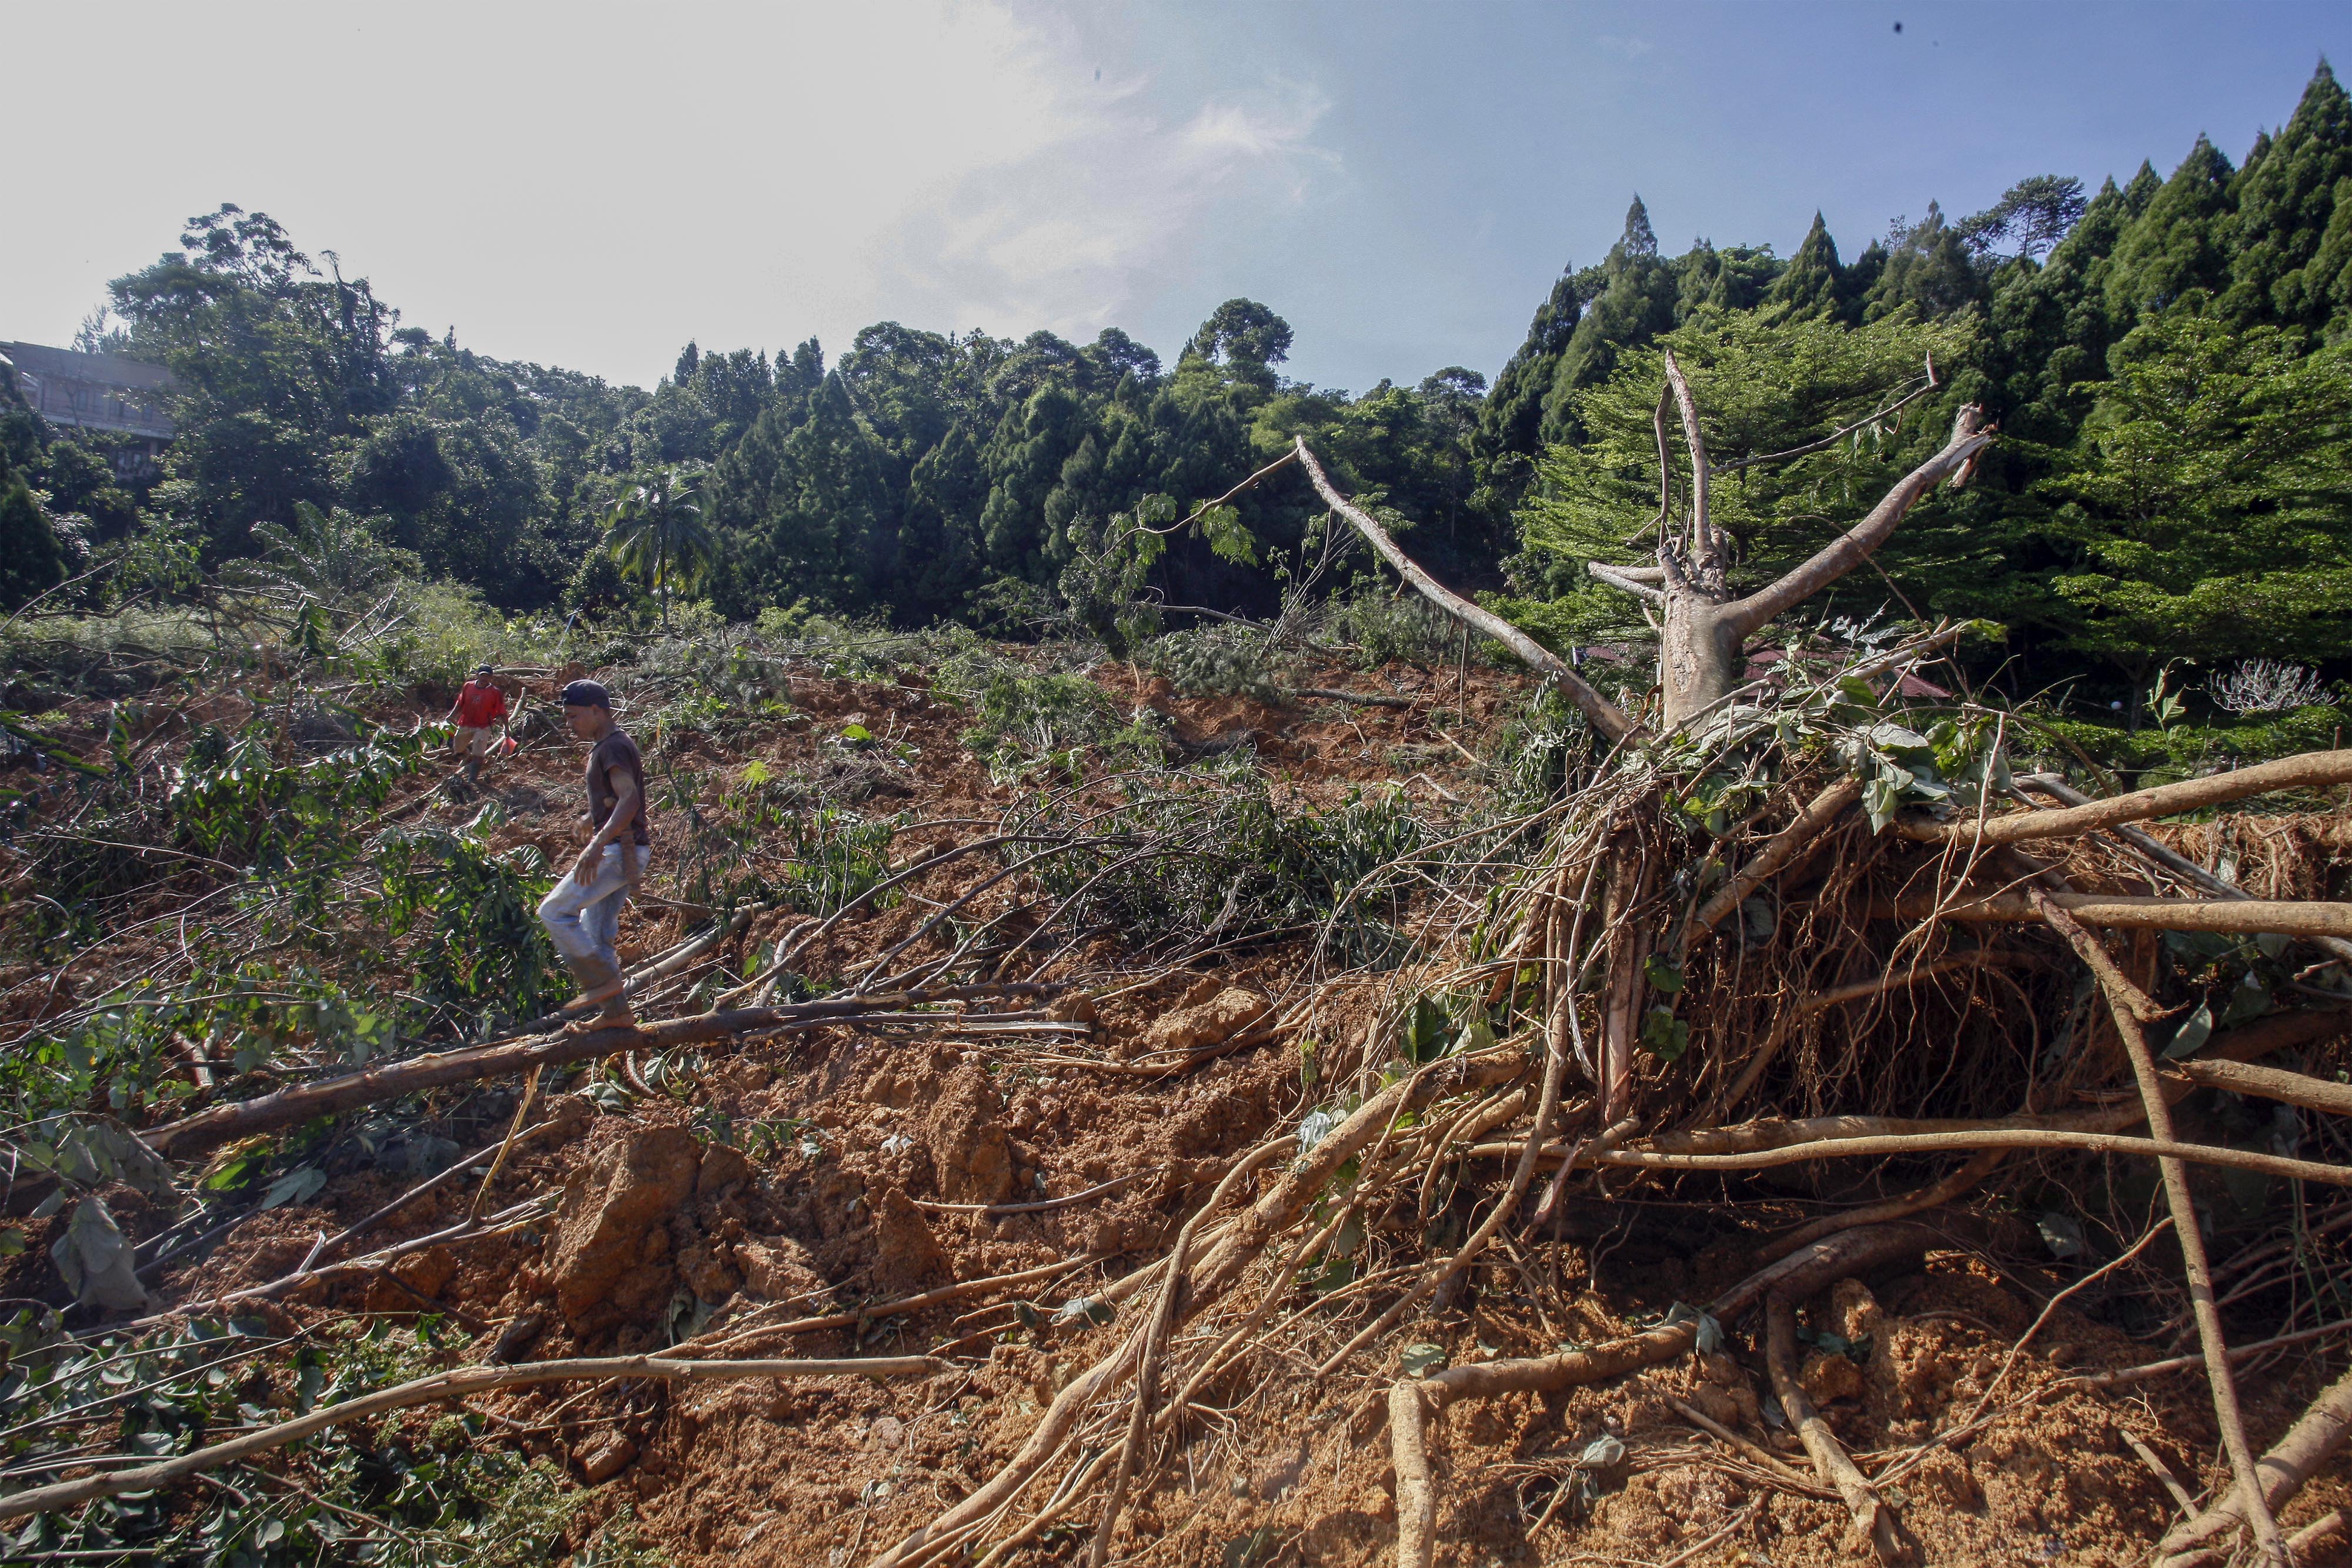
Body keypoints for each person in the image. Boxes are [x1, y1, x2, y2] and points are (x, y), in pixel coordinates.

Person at [536, 680, 650, 1027]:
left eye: (573, 717)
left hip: (617, 852)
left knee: (555, 912)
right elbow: (619, 799)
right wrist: (592, 817)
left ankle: (601, 985)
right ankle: (617, 1014)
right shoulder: (610, 745)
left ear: (597, 711)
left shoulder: (611, 748)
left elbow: (629, 800)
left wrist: (595, 846)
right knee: (597, 934)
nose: (570, 725)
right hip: (625, 849)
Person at [444, 665, 510, 790]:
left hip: (483, 725)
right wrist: (452, 715)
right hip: (465, 723)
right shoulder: (468, 686)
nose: (485, 678)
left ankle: (472, 779)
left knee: (479, 752)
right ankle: (467, 757)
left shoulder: (495, 692)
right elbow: (460, 702)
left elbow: (502, 711)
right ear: (478, 675)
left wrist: (507, 727)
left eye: (488, 676)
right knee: (458, 748)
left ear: (491, 678)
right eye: (483, 675)